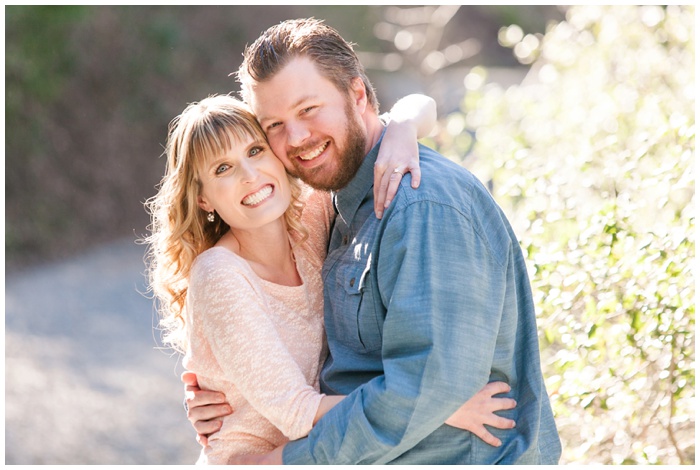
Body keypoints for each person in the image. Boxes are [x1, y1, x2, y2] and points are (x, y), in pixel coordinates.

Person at [185, 17, 562, 465]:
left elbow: (425, 392)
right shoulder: (335, 205)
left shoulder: (418, 209)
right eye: (275, 125)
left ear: (358, 94)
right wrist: (224, 393)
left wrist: (278, 462)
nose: (297, 138)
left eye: (308, 110)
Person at [147, 94, 518, 464]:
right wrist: (436, 409)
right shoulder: (220, 275)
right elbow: (298, 413)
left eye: (256, 151)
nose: (250, 175)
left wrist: (401, 133)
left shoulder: (310, 219)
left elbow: (420, 106)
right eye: (222, 169)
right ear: (203, 200)